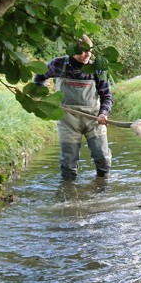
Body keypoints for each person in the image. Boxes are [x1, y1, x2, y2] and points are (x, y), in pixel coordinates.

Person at [33, 35, 112, 179]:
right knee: (68, 164)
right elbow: (39, 77)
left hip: (94, 119)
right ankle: (68, 194)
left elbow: (106, 96)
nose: (87, 54)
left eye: (90, 50)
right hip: (67, 120)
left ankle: (102, 189)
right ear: (71, 51)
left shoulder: (97, 69)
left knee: (103, 158)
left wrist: (103, 113)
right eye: (82, 51)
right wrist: (38, 94)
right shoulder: (58, 64)